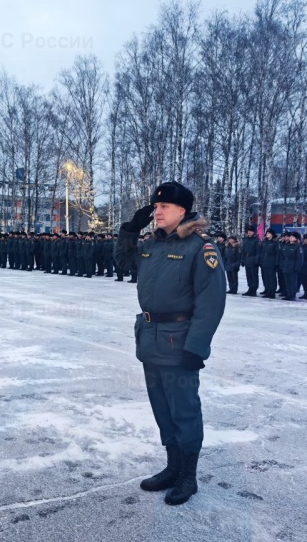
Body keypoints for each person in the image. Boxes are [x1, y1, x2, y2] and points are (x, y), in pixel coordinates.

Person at [114, 181, 226, 506]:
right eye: (156, 206)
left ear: (182, 211)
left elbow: (211, 302)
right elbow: (123, 263)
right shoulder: (152, 245)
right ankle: (172, 466)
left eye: (164, 206)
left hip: (180, 345)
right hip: (150, 340)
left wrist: (197, 347)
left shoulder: (199, 248)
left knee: (184, 410)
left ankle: (188, 476)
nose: (157, 211)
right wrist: (130, 231)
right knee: (162, 409)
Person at [259, 228, 280, 299]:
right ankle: (268, 291)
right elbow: (261, 252)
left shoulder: (275, 242)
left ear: (272, 234)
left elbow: (277, 253)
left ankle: (272, 291)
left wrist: (276, 263)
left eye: (269, 233)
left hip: (272, 261)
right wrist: (261, 261)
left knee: (272, 277)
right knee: (266, 277)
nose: (267, 234)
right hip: (265, 260)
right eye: (267, 233)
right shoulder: (265, 241)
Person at [240, 225, 260, 296]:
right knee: (248, 275)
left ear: (254, 232)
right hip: (247, 259)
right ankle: (250, 288)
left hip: (253, 258)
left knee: (254, 275)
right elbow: (243, 251)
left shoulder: (256, 240)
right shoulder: (245, 239)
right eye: (248, 231)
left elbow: (258, 251)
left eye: (251, 231)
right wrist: (242, 260)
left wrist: (257, 260)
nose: (249, 232)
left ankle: (254, 289)